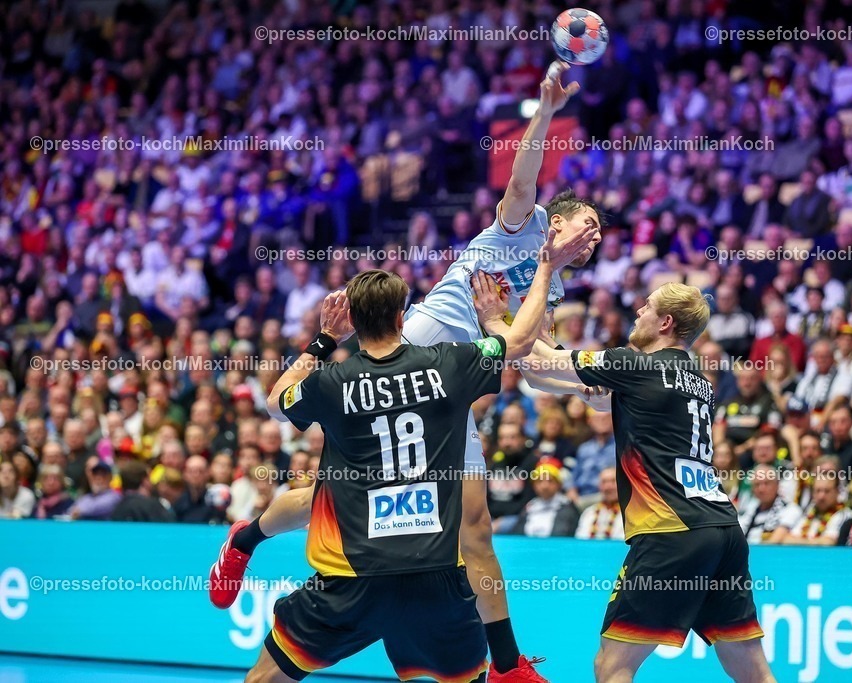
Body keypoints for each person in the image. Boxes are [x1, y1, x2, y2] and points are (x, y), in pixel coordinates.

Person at [209, 61, 600, 683]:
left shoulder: (547, 293)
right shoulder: (521, 230)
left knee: (474, 525)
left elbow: (530, 360)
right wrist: (547, 110)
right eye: (590, 224)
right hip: (414, 349)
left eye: (601, 233)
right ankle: (247, 538)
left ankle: (506, 665)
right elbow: (525, 174)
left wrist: (593, 384)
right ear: (559, 221)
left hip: (453, 388)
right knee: (339, 495)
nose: (596, 236)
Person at [235, 234, 595, 681]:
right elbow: (519, 344)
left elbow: (273, 402)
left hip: (350, 576)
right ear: (402, 318)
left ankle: (246, 540)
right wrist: (541, 270)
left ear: (355, 323)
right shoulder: (449, 364)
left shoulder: (330, 383)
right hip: (436, 576)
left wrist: (325, 340)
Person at [481, 280, 774, 682]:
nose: (638, 312)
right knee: (751, 668)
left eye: (647, 307)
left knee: (612, 665)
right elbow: (552, 379)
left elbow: (546, 364)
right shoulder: (699, 381)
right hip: (722, 529)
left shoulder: (635, 365)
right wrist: (543, 341)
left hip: (670, 531)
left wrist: (496, 319)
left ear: (665, 322)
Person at [737, 464, 803, 545]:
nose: (761, 489)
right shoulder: (749, 509)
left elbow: (774, 542)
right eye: (757, 484)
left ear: (777, 485)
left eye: (766, 483)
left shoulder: (790, 510)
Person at [575, 467, 624, 540]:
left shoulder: (630, 513)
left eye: (613, 481)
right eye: (604, 482)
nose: (608, 487)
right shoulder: (589, 512)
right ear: (599, 486)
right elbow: (580, 541)